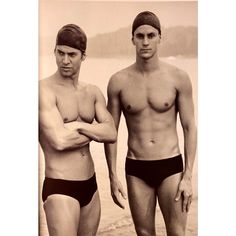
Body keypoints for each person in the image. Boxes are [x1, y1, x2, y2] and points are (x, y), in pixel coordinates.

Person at [104, 11, 197, 236]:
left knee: (177, 233)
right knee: (144, 234)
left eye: (151, 35)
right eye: (140, 36)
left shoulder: (178, 77)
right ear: (132, 39)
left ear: (159, 37)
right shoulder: (118, 82)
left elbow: (189, 127)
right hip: (136, 168)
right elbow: (110, 132)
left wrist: (188, 176)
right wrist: (112, 176)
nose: (145, 41)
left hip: (171, 166)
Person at [39, 24, 117, 236]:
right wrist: (95, 130)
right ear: (54, 51)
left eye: (72, 55)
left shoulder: (92, 92)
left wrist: (79, 125)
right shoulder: (43, 90)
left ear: (83, 56)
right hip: (60, 187)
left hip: (90, 187)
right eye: (60, 53)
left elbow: (112, 133)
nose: (65, 60)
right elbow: (59, 141)